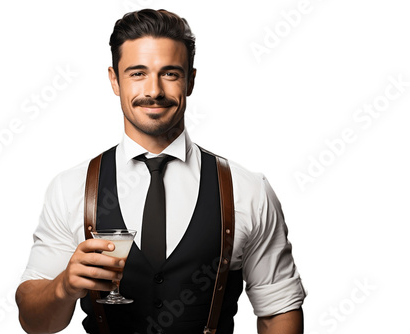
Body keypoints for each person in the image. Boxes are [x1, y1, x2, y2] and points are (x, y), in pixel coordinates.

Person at [16, 8, 306, 334]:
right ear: (115, 80)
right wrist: (62, 288)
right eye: (137, 73)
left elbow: (277, 312)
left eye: (169, 73)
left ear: (190, 80)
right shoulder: (71, 188)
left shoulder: (246, 189)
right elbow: (33, 322)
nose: (153, 91)